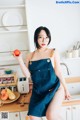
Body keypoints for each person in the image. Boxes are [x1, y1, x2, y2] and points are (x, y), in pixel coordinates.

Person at [13, 26, 71, 120]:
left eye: (47, 37)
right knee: (33, 117)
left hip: (55, 89)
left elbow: (58, 72)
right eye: (41, 37)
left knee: (51, 115)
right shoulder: (30, 56)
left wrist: (66, 89)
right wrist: (19, 60)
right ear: (36, 38)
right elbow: (28, 75)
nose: (44, 40)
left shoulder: (53, 52)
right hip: (38, 92)